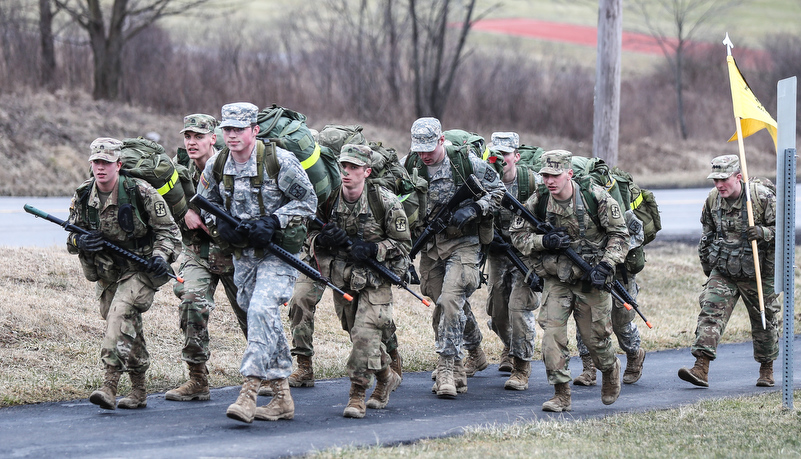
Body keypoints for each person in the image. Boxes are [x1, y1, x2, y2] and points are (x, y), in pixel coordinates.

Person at [198, 102, 317, 423]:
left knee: (262, 311)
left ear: (255, 130)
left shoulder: (280, 161)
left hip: (278, 255)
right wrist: (218, 224)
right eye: (227, 130)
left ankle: (248, 392)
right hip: (243, 257)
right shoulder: (217, 164)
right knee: (263, 320)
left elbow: (308, 201)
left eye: (239, 129)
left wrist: (275, 221)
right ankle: (282, 399)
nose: (232, 136)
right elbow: (205, 202)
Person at [67, 137, 181, 410]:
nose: (100, 167)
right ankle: (140, 389)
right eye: (96, 162)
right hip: (109, 273)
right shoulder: (84, 194)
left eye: (106, 162)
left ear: (118, 164)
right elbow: (70, 236)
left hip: (141, 269)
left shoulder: (140, 191)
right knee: (125, 324)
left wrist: (159, 256)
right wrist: (80, 242)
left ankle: (109, 385)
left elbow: (170, 232)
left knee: (118, 314)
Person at [510, 150, 628, 412]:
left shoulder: (595, 197)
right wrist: (544, 241)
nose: (549, 181)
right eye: (545, 176)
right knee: (552, 337)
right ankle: (561, 394)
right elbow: (516, 235)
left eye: (555, 175)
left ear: (569, 174)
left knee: (595, 339)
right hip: (558, 278)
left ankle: (610, 368)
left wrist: (606, 265)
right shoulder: (539, 200)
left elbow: (620, 235)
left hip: (592, 279)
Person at [404, 117, 504, 398]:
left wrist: (475, 208)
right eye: (419, 149)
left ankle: (448, 367)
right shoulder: (410, 164)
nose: (424, 155)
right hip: (431, 245)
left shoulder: (467, 164)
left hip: (464, 242)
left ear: (441, 141)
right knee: (445, 304)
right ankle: (471, 353)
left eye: (429, 148)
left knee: (450, 301)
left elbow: (499, 192)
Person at [308, 144, 410, 417]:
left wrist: (374, 249)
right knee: (358, 336)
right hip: (344, 281)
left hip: (377, 281)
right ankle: (387, 375)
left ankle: (356, 395)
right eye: (344, 166)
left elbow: (404, 246)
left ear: (367, 171)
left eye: (354, 167)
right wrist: (322, 239)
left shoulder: (384, 201)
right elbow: (307, 234)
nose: (347, 172)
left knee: (365, 338)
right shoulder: (328, 200)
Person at [165, 114, 251, 402]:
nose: (191, 143)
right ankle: (197, 380)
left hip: (234, 254)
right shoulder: (178, 174)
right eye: (187, 137)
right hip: (199, 253)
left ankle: (267, 375)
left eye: (198, 137)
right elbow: (161, 204)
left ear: (213, 138)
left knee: (253, 317)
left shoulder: (232, 168)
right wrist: (183, 212)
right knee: (191, 303)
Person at [678, 154, 779, 388]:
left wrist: (763, 233)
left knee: (765, 321)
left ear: (738, 177)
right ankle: (700, 367)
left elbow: (783, 231)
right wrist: (708, 264)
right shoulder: (713, 200)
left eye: (724, 179)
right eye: (715, 180)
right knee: (710, 313)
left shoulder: (762, 198)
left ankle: (766, 369)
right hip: (724, 270)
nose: (719, 185)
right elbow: (707, 233)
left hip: (758, 271)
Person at [484, 132, 541, 391]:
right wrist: (486, 238)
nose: (501, 159)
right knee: (496, 314)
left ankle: (521, 366)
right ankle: (509, 345)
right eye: (495, 154)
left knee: (519, 309)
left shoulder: (533, 183)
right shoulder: (484, 179)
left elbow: (547, 220)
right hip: (498, 253)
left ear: (516, 156)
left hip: (526, 254)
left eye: (506, 154)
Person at [572, 271, 646, 386]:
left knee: (620, 322)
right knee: (585, 318)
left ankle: (634, 353)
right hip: (591, 271)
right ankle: (589, 369)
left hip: (620, 272)